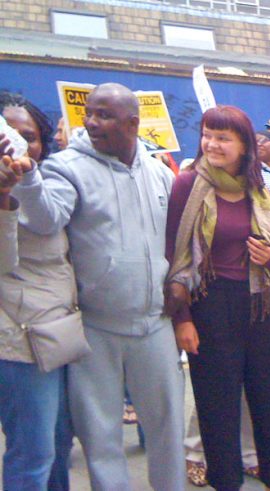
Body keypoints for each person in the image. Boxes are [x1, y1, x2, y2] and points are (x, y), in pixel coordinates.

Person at [12, 83, 186, 491]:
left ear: (132, 123)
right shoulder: (66, 167)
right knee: (101, 437)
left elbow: (175, 241)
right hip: (95, 329)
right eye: (89, 113)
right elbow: (44, 219)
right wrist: (29, 181)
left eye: (104, 115)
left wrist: (179, 284)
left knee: (167, 430)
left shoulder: (160, 172)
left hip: (155, 324)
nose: (91, 122)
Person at [166, 104, 270, 491]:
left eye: (223, 137)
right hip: (210, 303)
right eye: (207, 134)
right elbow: (174, 254)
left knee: (267, 397)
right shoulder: (189, 184)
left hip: (260, 303)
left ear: (243, 146)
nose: (212, 144)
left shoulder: (258, 186)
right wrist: (182, 317)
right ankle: (225, 481)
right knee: (217, 405)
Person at [0, 92, 75, 491]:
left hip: (63, 332)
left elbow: (49, 221)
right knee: (32, 453)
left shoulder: (51, 178)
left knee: (60, 443)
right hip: (19, 339)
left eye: (27, 135)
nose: (18, 144)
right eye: (8, 134)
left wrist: (26, 179)